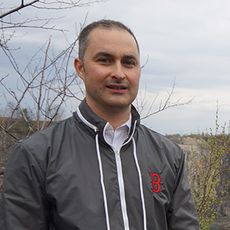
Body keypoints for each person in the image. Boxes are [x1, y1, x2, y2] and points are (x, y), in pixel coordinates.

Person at [1, 19, 200, 230]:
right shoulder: (36, 155)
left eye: (129, 62)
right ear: (80, 67)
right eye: (105, 60)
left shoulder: (169, 155)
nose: (119, 73)